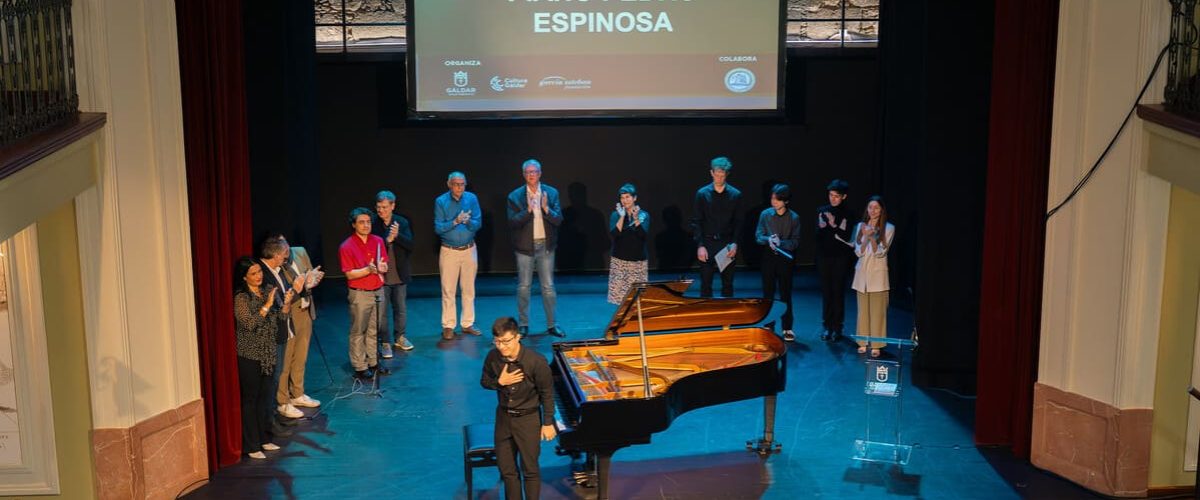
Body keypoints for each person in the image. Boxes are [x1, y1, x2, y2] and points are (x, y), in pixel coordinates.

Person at [480, 317, 556, 500]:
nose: (501, 346)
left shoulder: (536, 361)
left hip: (528, 420)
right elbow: (484, 382)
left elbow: (547, 393)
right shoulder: (492, 357)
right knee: (508, 472)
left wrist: (547, 423)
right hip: (504, 419)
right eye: (497, 341)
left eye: (505, 341)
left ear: (517, 337)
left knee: (530, 470)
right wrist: (499, 382)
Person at [233, 256, 292, 459]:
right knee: (251, 399)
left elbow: (280, 319)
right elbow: (249, 324)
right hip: (249, 355)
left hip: (268, 352)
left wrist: (285, 305)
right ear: (244, 277)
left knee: (265, 399)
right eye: (253, 274)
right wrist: (266, 305)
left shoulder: (268, 290)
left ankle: (264, 438)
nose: (259, 276)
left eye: (259, 272)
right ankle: (251, 445)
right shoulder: (241, 298)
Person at [505, 159, 565, 337]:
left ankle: (552, 324)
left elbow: (558, 220)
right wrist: (528, 210)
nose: (531, 175)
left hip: (545, 246)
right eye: (528, 172)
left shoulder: (551, 193)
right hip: (524, 248)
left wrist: (546, 209)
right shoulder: (515, 196)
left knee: (548, 287)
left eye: (534, 172)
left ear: (540, 173)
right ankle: (523, 324)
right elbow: (513, 222)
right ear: (524, 175)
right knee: (524, 286)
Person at [339, 207, 391, 379]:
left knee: (374, 329)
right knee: (358, 330)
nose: (366, 225)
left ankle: (373, 362)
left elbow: (383, 264)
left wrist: (383, 268)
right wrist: (368, 270)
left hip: (377, 290)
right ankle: (360, 366)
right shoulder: (347, 246)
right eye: (362, 222)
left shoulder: (377, 241)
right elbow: (349, 274)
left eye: (368, 222)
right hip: (360, 293)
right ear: (354, 225)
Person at [258, 236, 307, 420]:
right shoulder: (264, 273)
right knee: (277, 371)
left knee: (284, 367)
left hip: (285, 325)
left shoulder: (278, 269)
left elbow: (285, 299)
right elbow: (277, 304)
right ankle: (279, 407)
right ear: (275, 254)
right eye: (283, 254)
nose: (285, 257)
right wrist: (295, 290)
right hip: (274, 330)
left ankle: (282, 407)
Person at [277, 237, 325, 417]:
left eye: (286, 244)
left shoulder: (299, 251)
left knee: (301, 356)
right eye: (281, 246)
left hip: (305, 309)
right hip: (290, 312)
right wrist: (301, 285)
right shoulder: (277, 263)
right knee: (286, 359)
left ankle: (297, 393)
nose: (285, 249)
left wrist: (313, 280)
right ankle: (283, 401)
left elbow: (309, 276)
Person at [435, 171, 483, 340]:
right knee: (448, 290)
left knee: (468, 289)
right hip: (449, 251)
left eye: (462, 184)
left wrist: (467, 220)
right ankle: (448, 325)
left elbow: (478, 224)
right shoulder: (441, 201)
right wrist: (455, 221)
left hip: (469, 249)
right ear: (449, 184)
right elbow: (439, 228)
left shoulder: (472, 199)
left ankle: (467, 323)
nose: (459, 187)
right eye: (456, 184)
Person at [690, 156, 743, 298]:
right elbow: (697, 221)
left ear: (727, 175)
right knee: (706, 284)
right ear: (712, 173)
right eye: (717, 174)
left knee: (727, 284)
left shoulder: (735, 195)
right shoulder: (702, 194)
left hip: (726, 244)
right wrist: (700, 245)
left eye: (722, 175)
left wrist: (735, 243)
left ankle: (727, 319)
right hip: (707, 243)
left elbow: (738, 221)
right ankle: (707, 318)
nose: (719, 178)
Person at [755, 184, 801, 341]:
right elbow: (758, 236)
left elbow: (795, 242)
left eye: (777, 199)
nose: (773, 201)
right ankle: (768, 323)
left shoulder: (794, 218)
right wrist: (768, 239)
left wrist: (781, 242)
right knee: (768, 293)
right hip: (768, 258)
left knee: (785, 294)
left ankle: (787, 327)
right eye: (772, 198)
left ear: (785, 201)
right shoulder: (765, 215)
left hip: (785, 260)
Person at [851, 196, 895, 358]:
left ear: (882, 209)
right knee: (863, 311)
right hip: (862, 274)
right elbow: (858, 251)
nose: (873, 211)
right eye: (870, 207)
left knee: (878, 312)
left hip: (878, 276)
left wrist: (871, 237)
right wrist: (864, 237)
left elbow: (880, 252)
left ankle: (876, 344)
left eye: (876, 208)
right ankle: (862, 341)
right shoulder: (860, 226)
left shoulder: (888, 228)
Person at [372, 190, 414, 357]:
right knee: (381, 312)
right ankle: (385, 342)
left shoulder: (401, 222)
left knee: (401, 309)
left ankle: (400, 337)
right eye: (378, 207)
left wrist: (397, 236)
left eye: (384, 207)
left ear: (392, 206)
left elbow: (410, 245)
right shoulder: (373, 223)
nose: (380, 210)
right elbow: (372, 247)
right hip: (381, 277)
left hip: (398, 274)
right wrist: (386, 240)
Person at [817, 179, 855, 342]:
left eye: (836, 196)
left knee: (838, 292)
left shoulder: (849, 213)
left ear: (844, 196)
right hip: (825, 256)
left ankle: (838, 327)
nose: (832, 199)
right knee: (826, 293)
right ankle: (827, 326)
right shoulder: (822, 210)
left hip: (841, 257)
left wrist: (832, 224)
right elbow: (819, 235)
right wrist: (824, 226)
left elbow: (845, 236)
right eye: (831, 195)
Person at [607, 183, 650, 304]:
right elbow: (615, 235)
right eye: (622, 197)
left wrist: (636, 219)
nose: (624, 200)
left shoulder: (643, 215)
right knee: (619, 298)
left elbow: (643, 235)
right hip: (620, 261)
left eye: (627, 197)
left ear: (634, 198)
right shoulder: (616, 215)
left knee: (637, 298)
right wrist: (621, 217)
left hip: (638, 262)